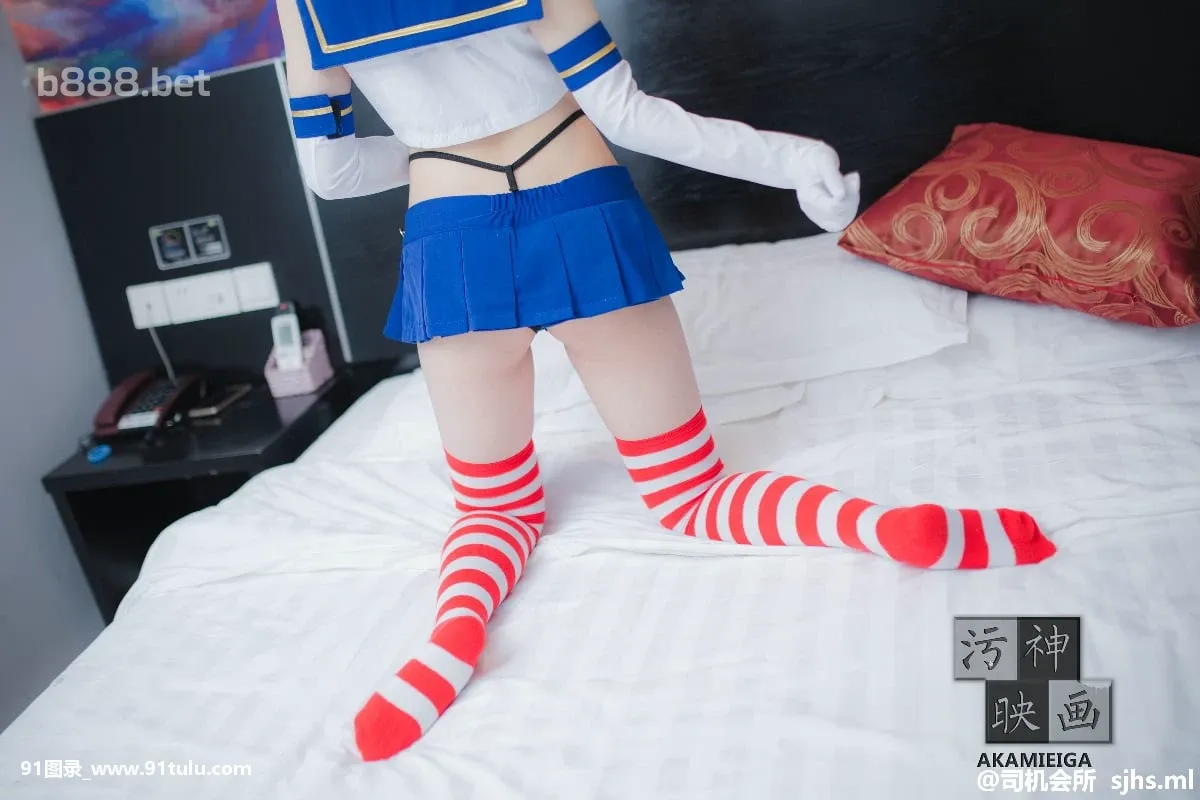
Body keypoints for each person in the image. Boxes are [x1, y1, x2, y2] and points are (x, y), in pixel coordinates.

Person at [276, 0, 1056, 760]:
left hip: (453, 239)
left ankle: (450, 638)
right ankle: (872, 527)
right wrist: (792, 158)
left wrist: (429, 147)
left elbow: (333, 173)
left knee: (494, 508)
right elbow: (625, 113)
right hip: (581, 206)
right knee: (690, 493)